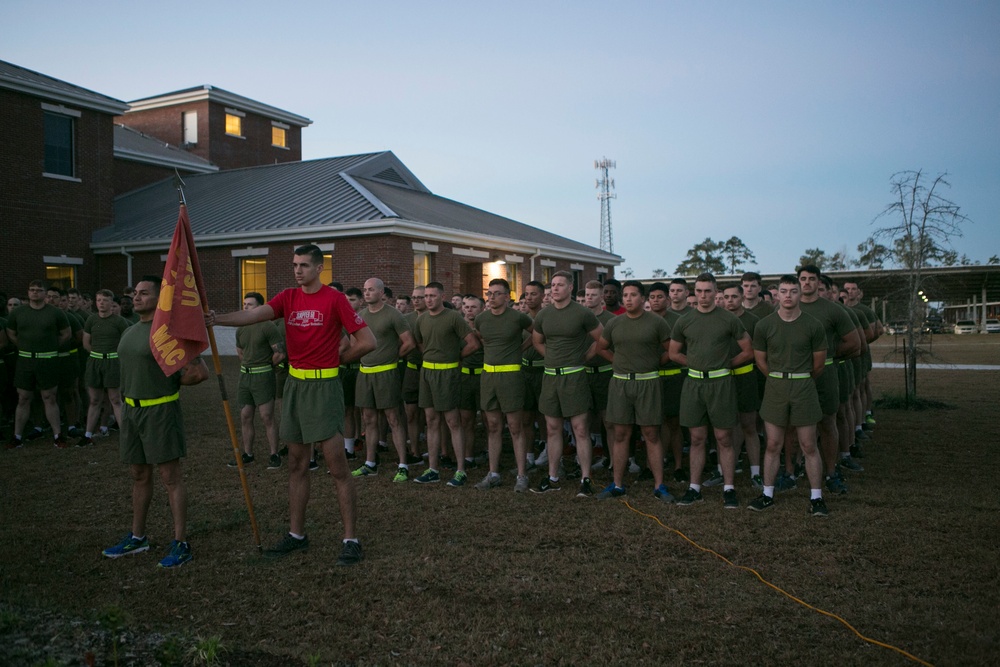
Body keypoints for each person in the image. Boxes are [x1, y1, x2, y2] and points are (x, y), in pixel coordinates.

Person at [206, 244, 375, 566]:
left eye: (304, 266)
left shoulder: (334, 299)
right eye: (295, 265)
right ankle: (297, 535)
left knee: (337, 467)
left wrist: (337, 361)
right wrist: (216, 319)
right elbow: (254, 314)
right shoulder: (288, 297)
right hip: (295, 386)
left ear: (318, 268)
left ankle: (351, 539)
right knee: (297, 464)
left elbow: (368, 341)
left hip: (324, 387)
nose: (297, 270)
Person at [101, 276, 209, 567]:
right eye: (135, 293)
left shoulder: (167, 333)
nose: (135, 297)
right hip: (132, 411)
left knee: (170, 477)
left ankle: (181, 542)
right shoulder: (130, 330)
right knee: (139, 474)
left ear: (159, 299)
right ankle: (138, 538)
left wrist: (173, 378)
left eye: (144, 293)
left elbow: (198, 373)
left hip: (160, 411)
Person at [669, 273, 753, 509]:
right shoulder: (684, 321)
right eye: (699, 291)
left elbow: (748, 350)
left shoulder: (728, 319)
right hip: (694, 384)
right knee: (696, 438)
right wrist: (695, 363)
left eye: (708, 291)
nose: (703, 296)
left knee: (724, 438)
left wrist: (724, 364)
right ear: (693, 292)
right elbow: (674, 353)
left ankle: (729, 488)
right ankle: (694, 488)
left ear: (716, 293)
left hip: (721, 384)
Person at [748, 275, 829, 517]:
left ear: (799, 294)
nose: (788, 296)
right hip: (775, 387)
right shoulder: (764, 325)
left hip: (804, 386)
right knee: (773, 444)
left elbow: (819, 365)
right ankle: (767, 494)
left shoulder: (813, 325)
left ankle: (816, 497)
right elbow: (760, 360)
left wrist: (798, 379)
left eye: (793, 291)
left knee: (808, 445)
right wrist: (777, 378)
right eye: (783, 291)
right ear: (777, 294)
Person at [595, 281, 673, 501]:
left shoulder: (657, 323)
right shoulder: (614, 323)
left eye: (633, 295)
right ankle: (617, 484)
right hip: (620, 383)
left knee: (651, 434)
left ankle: (659, 485)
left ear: (643, 298)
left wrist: (654, 363)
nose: (628, 299)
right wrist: (618, 362)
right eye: (625, 295)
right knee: (620, 434)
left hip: (648, 383)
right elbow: (601, 347)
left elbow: (671, 350)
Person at [531, 271, 604, 496]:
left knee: (580, 428)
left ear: (570, 288)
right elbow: (537, 342)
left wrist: (583, 358)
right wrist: (552, 357)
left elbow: (601, 339)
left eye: (560, 285)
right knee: (553, 428)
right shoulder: (544, 315)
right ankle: (553, 477)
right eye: (552, 285)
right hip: (551, 376)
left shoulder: (582, 313)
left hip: (575, 377)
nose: (555, 289)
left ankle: (585, 479)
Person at [798, 266, 861, 490]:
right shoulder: (787, 307)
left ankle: (832, 471)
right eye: (803, 279)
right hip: (796, 376)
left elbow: (854, 343)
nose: (806, 283)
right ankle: (793, 470)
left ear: (818, 283)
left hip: (825, 374)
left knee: (827, 422)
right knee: (795, 424)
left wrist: (829, 355)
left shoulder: (833, 310)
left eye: (811, 279)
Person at [411, 281, 480, 486]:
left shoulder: (453, 317)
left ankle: (460, 470)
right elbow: (421, 343)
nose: (428, 299)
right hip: (427, 374)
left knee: (453, 422)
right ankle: (432, 469)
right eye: (426, 296)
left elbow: (473, 343)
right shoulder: (421, 320)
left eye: (432, 295)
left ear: (442, 297)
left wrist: (455, 357)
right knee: (431, 421)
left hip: (448, 375)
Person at [472, 278, 534, 492]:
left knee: (516, 427)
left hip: (512, 378)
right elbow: (480, 338)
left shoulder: (519, 318)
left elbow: (536, 334)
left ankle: (522, 475)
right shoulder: (481, 319)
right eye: (489, 293)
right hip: (488, 377)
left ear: (507, 297)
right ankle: (494, 473)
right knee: (493, 427)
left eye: (497, 293)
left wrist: (519, 350)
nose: (491, 297)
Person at [352, 278, 416, 482]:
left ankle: (403, 464)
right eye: (365, 290)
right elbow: (355, 343)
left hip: (387, 373)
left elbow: (409, 343)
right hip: (365, 373)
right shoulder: (360, 316)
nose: (367, 293)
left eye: (371, 290)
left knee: (393, 419)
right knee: (368, 419)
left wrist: (393, 356)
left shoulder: (393, 314)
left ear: (381, 293)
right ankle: (370, 463)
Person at [5, 280, 70, 448]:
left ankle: (57, 435)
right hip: (25, 361)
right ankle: (17, 436)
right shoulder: (18, 313)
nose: (35, 293)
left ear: (44, 294)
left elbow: (66, 334)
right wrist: (24, 346)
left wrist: (50, 347)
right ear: (28, 292)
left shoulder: (55, 313)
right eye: (32, 290)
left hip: (47, 360)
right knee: (23, 398)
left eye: (39, 290)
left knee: (49, 397)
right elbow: (11, 333)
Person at [231, 292, 284, 469]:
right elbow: (240, 351)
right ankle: (248, 454)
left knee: (267, 416)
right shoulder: (241, 328)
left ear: (260, 307)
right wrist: (249, 364)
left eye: (250, 305)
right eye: (244, 304)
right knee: (245, 416)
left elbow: (280, 353)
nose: (246, 307)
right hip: (245, 377)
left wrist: (266, 365)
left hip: (263, 377)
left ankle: (274, 454)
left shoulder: (268, 326)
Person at [721, 284, 763, 489]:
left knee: (749, 425)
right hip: (721, 380)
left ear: (742, 297)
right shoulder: (717, 319)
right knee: (726, 428)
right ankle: (725, 470)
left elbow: (756, 351)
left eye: (734, 296)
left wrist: (729, 363)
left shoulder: (753, 322)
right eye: (726, 297)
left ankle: (755, 472)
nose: (730, 301)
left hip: (745, 378)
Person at [647, 282, 687, 483]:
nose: (656, 301)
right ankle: (653, 464)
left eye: (660, 297)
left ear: (668, 299)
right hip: (649, 378)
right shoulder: (642, 319)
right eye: (652, 297)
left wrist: (656, 362)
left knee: (674, 423)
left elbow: (676, 350)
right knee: (653, 423)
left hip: (672, 376)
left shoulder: (678, 321)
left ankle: (679, 465)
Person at [80, 289, 129, 446]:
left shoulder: (119, 321)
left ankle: (126, 436)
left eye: (105, 300)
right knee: (94, 399)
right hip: (95, 362)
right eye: (99, 300)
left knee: (115, 399)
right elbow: (86, 342)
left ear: (111, 303)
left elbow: (125, 343)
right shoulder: (91, 320)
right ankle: (87, 435)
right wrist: (97, 354)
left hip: (113, 363)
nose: (101, 303)